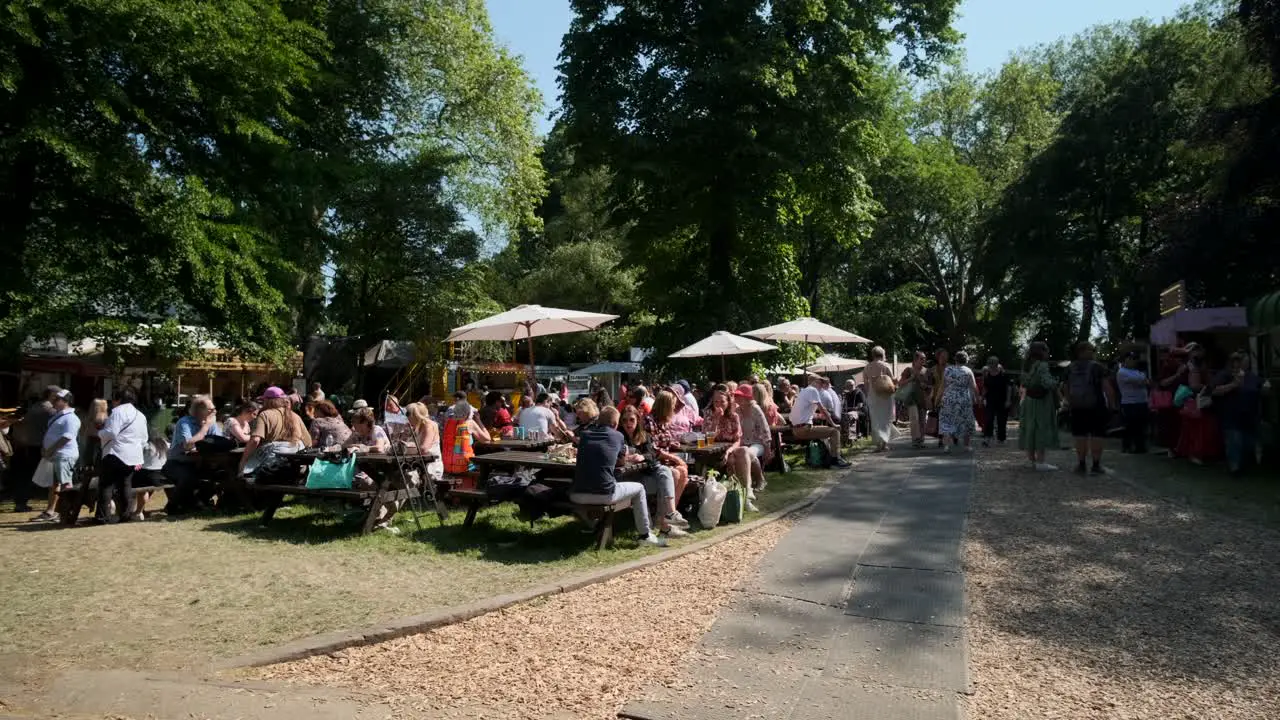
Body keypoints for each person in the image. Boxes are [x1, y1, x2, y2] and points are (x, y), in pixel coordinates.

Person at [570, 405, 667, 547]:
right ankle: (645, 535)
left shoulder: (584, 435)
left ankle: (594, 525)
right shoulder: (617, 436)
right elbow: (620, 462)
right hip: (604, 493)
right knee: (639, 488)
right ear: (615, 424)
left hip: (576, 493)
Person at [618, 405, 689, 537]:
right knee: (670, 474)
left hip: (644, 475)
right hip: (629, 478)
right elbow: (617, 458)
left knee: (668, 472)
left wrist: (642, 456)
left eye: (631, 420)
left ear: (637, 420)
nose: (628, 424)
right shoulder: (618, 437)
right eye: (624, 420)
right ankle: (665, 523)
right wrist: (626, 458)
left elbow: (652, 455)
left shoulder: (644, 436)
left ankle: (668, 517)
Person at [164, 395, 224, 513]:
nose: (215, 412)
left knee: (221, 475)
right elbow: (188, 445)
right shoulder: (184, 422)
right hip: (177, 463)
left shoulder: (212, 423)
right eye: (211, 409)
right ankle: (172, 506)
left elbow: (218, 441)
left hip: (201, 462)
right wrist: (205, 427)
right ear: (200, 410)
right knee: (188, 478)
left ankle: (198, 502)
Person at [97, 387, 149, 523]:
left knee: (106, 485)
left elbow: (111, 432)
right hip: (133, 455)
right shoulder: (140, 415)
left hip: (115, 452)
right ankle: (125, 514)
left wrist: (100, 433)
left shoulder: (118, 412)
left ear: (118, 399)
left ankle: (103, 516)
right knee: (126, 484)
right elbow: (144, 438)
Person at [1064, 341, 1117, 474]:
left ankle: (1081, 465)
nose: (1094, 352)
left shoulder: (1071, 367)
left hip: (1077, 407)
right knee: (1097, 435)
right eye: (1092, 350)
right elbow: (1107, 388)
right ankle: (1096, 465)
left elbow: (1066, 387)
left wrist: (1070, 403)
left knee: (1080, 435)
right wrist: (1111, 405)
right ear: (1084, 351)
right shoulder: (1097, 367)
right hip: (1096, 406)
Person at [237, 387, 311, 477]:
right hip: (293, 466)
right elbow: (308, 442)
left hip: (271, 466)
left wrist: (243, 461)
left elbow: (255, 440)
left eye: (264, 401)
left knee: (245, 473)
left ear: (268, 401)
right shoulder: (295, 416)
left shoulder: (265, 415)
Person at [31, 389, 80, 522]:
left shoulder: (71, 418)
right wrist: (46, 448)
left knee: (65, 485)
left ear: (66, 401)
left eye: (58, 399)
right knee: (54, 484)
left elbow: (67, 436)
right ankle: (51, 511)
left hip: (64, 455)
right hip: (55, 454)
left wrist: (50, 449)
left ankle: (67, 512)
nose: (54, 401)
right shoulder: (59, 415)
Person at [1212, 351, 1263, 475]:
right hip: (1231, 415)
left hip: (1249, 416)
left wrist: (1265, 386)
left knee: (1247, 444)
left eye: (1245, 360)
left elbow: (1261, 384)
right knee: (1234, 443)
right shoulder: (1225, 375)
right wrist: (1233, 385)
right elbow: (1215, 391)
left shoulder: (1251, 376)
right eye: (1239, 360)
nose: (1243, 363)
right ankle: (1234, 468)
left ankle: (1244, 466)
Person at [10, 385, 59, 513]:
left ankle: (20, 502)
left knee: (26, 475)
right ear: (52, 395)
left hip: (29, 445)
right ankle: (53, 505)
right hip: (41, 447)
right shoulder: (50, 411)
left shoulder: (35, 407)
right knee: (50, 476)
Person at [1174, 343, 1223, 465]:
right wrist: (1209, 388)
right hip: (1195, 400)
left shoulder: (1196, 365)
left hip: (1198, 400)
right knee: (1197, 429)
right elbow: (1194, 385)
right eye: (1196, 350)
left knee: (1200, 428)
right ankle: (1195, 453)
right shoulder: (1192, 366)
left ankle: (1200, 453)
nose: (1199, 353)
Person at [788, 376, 850, 467]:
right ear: (815, 382)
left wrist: (818, 416)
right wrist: (833, 424)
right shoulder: (813, 390)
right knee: (834, 431)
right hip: (803, 429)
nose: (822, 385)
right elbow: (823, 409)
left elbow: (804, 412)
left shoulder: (804, 391)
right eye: (821, 382)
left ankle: (829, 458)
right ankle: (835, 460)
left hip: (796, 429)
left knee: (826, 431)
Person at [1019, 342, 1059, 471]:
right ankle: (1041, 461)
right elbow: (1047, 383)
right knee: (1040, 428)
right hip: (1041, 402)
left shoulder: (1026, 365)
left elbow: (1024, 382)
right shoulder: (1042, 365)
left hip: (1029, 401)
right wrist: (1056, 381)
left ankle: (1031, 460)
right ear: (1042, 352)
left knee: (1030, 429)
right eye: (1047, 351)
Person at [938, 351, 978, 453]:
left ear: (955, 359)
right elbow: (974, 387)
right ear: (966, 360)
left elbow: (942, 386)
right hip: (963, 398)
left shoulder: (948, 370)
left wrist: (937, 398)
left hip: (949, 398)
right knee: (966, 420)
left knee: (947, 421)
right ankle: (967, 445)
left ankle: (946, 446)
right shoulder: (968, 371)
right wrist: (978, 398)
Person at [734, 385, 772, 493]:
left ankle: (760, 479)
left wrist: (768, 448)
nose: (737, 398)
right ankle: (742, 484)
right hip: (742, 443)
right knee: (736, 454)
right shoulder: (737, 410)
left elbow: (765, 429)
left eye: (740, 396)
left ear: (747, 397)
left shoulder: (755, 409)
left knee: (749, 453)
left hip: (758, 442)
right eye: (736, 396)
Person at [442, 398, 491, 475]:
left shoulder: (447, 423)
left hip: (446, 465)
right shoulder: (469, 423)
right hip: (464, 466)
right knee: (486, 469)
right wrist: (478, 420)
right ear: (468, 413)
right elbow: (487, 439)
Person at [1116, 352, 1151, 454]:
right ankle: (1127, 446)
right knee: (1130, 426)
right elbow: (1140, 381)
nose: (1132, 361)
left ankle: (1140, 447)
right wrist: (1143, 380)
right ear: (1125, 360)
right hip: (1130, 402)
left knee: (1141, 425)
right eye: (1130, 358)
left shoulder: (1137, 371)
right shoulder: (1122, 372)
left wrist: (1144, 380)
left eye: (1134, 359)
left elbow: (1146, 381)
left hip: (1142, 401)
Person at [863, 346, 896, 452]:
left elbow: (866, 384)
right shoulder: (886, 366)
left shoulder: (867, 367)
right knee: (885, 419)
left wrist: (868, 395)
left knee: (875, 420)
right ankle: (884, 444)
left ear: (873, 355)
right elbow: (893, 379)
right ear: (883, 354)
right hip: (885, 396)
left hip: (873, 396)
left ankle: (878, 444)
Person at [898, 351, 929, 448]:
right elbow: (900, 383)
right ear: (915, 360)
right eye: (921, 358)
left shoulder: (926, 371)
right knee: (914, 419)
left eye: (924, 358)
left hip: (923, 399)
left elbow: (931, 385)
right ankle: (915, 440)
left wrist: (926, 386)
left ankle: (921, 440)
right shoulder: (908, 370)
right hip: (911, 399)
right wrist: (910, 379)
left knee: (922, 420)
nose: (923, 360)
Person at [981, 357, 1012, 447]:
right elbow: (985, 388)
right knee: (988, 419)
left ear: (996, 364)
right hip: (990, 400)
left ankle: (1001, 438)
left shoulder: (1003, 374)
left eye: (993, 363)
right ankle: (988, 437)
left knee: (1001, 420)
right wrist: (981, 398)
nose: (991, 365)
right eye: (990, 363)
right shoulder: (987, 375)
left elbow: (1008, 388)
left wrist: (1008, 400)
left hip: (1002, 400)